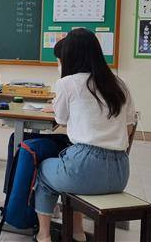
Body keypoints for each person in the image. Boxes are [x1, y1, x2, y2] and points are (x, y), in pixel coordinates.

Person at [35, 28, 135, 242]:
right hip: (120, 172)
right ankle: (77, 233)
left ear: (69, 55)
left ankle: (43, 236)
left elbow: (60, 119)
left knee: (44, 171)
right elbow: (128, 127)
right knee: (69, 172)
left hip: (84, 167)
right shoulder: (119, 84)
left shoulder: (68, 83)